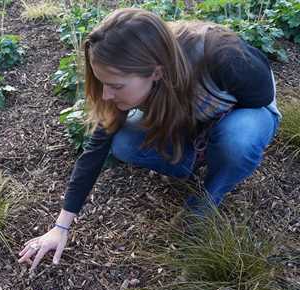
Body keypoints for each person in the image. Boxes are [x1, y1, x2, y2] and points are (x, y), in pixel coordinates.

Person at [18, 8, 281, 273]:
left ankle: (208, 197)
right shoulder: (134, 69)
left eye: (117, 86)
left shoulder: (224, 57)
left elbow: (258, 100)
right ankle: (192, 161)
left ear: (156, 72)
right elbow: (95, 150)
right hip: (190, 121)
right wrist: (60, 227)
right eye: (102, 83)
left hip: (241, 114)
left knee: (239, 139)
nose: (106, 95)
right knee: (122, 140)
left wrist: (214, 132)